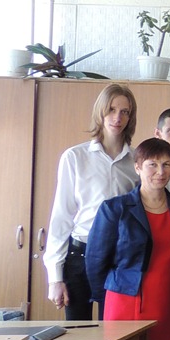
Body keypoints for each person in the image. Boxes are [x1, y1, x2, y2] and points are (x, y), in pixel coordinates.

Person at [85, 138, 170, 340]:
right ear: (138, 167)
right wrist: (105, 297)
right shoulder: (115, 208)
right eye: (152, 164)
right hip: (126, 300)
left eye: (166, 164)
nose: (160, 171)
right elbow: (95, 260)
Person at [45, 83, 139, 320]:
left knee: (115, 332)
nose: (117, 118)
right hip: (81, 254)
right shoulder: (75, 157)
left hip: (120, 257)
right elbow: (61, 217)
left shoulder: (137, 161)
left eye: (125, 112)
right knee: (78, 332)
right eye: (111, 110)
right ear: (100, 111)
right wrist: (55, 278)